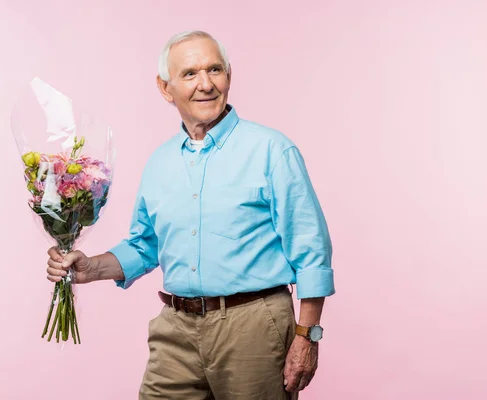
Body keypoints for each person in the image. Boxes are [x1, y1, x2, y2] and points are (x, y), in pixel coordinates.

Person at [46, 30, 335, 399]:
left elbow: (312, 250)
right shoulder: (160, 162)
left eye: (215, 70)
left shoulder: (271, 150)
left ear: (228, 76)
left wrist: (307, 336)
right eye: (190, 74)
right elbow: (145, 245)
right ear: (165, 88)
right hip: (175, 330)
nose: (206, 84)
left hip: (253, 327)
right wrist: (91, 268)